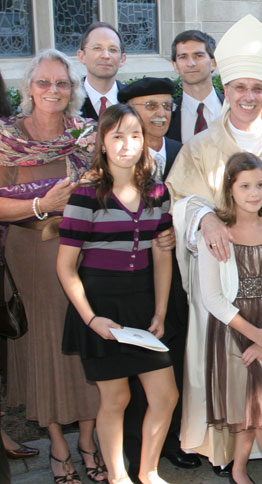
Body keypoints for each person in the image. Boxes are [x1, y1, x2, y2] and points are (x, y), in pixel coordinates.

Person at [166, 14, 262, 465]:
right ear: (226, 90)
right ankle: (221, 450)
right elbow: (179, 197)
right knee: (224, 360)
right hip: (222, 272)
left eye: (258, 88)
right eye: (239, 88)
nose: (248, 97)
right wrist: (204, 220)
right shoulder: (200, 146)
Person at [57, 104, 178, 484]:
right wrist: (92, 319)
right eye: (118, 136)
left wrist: (160, 312)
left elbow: (162, 255)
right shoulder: (86, 195)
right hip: (100, 307)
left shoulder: (157, 192)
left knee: (166, 396)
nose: (128, 144)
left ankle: (149, 471)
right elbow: (65, 267)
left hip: (143, 303)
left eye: (136, 135)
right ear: (103, 143)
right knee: (116, 399)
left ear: (145, 142)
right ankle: (118, 476)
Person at [0, 49, 105, 484]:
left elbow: (106, 189)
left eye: (61, 83)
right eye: (43, 82)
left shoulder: (87, 135)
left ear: (73, 89)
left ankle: (88, 442)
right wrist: (42, 204)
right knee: (45, 348)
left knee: (83, 345)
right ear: (28, 89)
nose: (52, 91)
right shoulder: (6, 138)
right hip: (28, 256)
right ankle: (59, 449)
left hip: (84, 253)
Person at [119, 77, 201, 475]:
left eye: (167, 106)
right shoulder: (118, 158)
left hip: (179, 274)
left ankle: (171, 441)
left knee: (175, 357)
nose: (161, 114)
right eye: (149, 106)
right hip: (131, 277)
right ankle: (133, 452)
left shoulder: (180, 151)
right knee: (135, 366)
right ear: (129, 112)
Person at [196, 152, 262, 484]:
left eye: (261, 185)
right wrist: (253, 334)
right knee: (261, 411)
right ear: (230, 188)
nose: (254, 193)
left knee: (255, 409)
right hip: (234, 331)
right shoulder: (216, 232)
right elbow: (212, 297)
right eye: (246, 186)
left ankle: (238, 471)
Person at [167, 30, 224, 143]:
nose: (191, 63)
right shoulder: (167, 115)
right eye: (183, 57)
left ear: (213, 63)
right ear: (175, 66)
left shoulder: (232, 108)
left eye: (198, 56)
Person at [77, 22, 126, 119]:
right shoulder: (68, 99)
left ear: (122, 59)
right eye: (97, 48)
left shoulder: (133, 100)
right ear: (82, 56)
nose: (105, 56)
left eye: (113, 50)